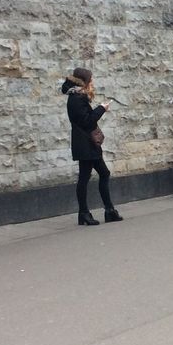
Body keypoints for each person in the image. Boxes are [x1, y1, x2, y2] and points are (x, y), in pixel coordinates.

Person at [61, 68, 123, 226]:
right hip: (85, 144)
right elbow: (87, 121)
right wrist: (102, 108)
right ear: (84, 81)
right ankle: (86, 213)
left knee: (101, 173)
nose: (93, 82)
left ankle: (107, 211)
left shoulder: (77, 96)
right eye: (91, 79)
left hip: (87, 144)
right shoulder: (76, 98)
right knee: (86, 177)